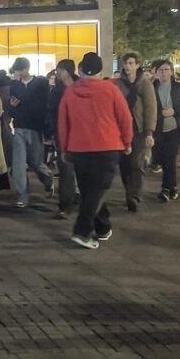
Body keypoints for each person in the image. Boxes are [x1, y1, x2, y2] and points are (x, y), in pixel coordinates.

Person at [58, 52, 133, 250]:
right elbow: (124, 118)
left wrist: (65, 147)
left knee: (89, 190)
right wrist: (127, 141)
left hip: (79, 148)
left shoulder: (70, 92)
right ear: (100, 70)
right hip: (106, 146)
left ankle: (102, 226)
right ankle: (82, 231)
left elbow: (63, 123)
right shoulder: (111, 90)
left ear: (81, 70)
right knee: (97, 190)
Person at [8, 57, 53, 207]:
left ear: (25, 69)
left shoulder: (41, 83)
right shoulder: (14, 85)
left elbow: (44, 105)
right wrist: (13, 107)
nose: (17, 74)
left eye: (18, 70)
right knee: (19, 163)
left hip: (35, 127)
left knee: (36, 162)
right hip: (19, 127)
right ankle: (22, 194)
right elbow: (11, 107)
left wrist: (46, 129)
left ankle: (47, 178)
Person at [115, 52, 157, 213]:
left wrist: (149, 132)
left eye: (131, 63)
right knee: (124, 164)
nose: (128, 66)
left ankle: (135, 195)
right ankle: (129, 193)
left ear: (138, 65)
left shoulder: (145, 84)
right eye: (126, 63)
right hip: (121, 130)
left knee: (136, 162)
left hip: (138, 129)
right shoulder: (118, 84)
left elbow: (150, 109)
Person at [153, 60, 180, 202]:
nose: (163, 72)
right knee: (161, 158)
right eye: (160, 70)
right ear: (156, 72)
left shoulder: (179, 87)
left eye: (166, 69)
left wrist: (174, 111)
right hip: (158, 130)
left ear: (171, 71)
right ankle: (173, 187)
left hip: (176, 128)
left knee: (169, 157)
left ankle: (166, 188)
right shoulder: (152, 87)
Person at [47, 59, 79, 219]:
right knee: (66, 171)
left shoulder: (81, 86)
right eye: (57, 70)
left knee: (84, 170)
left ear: (69, 71)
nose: (58, 72)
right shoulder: (56, 91)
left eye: (61, 70)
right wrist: (52, 133)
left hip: (83, 134)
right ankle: (65, 205)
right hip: (63, 135)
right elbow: (51, 114)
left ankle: (81, 198)